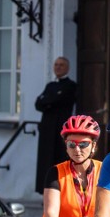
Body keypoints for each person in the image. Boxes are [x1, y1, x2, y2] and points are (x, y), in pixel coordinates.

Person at [35, 57, 78, 195]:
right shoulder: (50, 86)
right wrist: (48, 102)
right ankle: (46, 192)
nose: (58, 67)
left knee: (59, 161)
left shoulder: (71, 85)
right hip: (47, 130)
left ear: (67, 68)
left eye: (61, 65)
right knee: (45, 163)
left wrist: (48, 102)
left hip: (61, 130)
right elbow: (38, 103)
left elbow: (56, 100)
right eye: (56, 65)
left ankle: (59, 192)